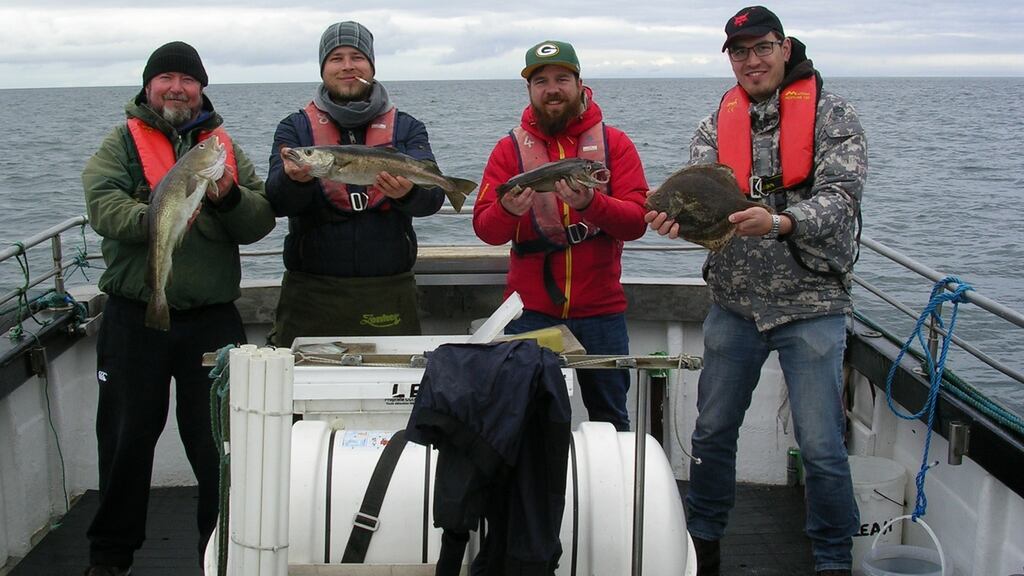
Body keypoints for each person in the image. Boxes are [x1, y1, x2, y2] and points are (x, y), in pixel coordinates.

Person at [646, 6, 865, 576]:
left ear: (785, 47)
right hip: (734, 306)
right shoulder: (712, 126)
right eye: (739, 51)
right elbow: (701, 214)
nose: (752, 60)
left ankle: (833, 559)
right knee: (713, 430)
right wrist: (675, 223)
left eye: (762, 47)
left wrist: (782, 222)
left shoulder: (831, 116)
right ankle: (705, 544)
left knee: (821, 447)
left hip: (811, 307)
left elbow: (842, 200)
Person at [81, 41, 276, 575]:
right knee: (125, 442)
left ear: (202, 89)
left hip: (212, 321)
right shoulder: (119, 143)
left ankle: (219, 555)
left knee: (219, 446)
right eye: (165, 77)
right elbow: (102, 204)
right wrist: (160, 214)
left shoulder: (224, 149)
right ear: (148, 87)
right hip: (134, 316)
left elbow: (260, 220)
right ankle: (109, 558)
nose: (176, 87)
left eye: (187, 80)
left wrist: (228, 197)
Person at [473, 40, 649, 432]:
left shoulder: (615, 144)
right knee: (530, 421)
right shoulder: (508, 150)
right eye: (541, 81)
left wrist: (592, 204)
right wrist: (507, 211)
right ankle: (538, 494)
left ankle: (607, 491)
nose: (552, 88)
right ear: (529, 90)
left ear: (579, 83)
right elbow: (485, 228)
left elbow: (637, 222)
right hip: (530, 312)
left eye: (561, 78)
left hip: (602, 312)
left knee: (612, 420)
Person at [266, 20, 446, 347]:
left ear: (371, 66)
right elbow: (276, 202)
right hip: (311, 292)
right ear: (323, 68)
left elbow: (432, 200)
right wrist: (295, 183)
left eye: (357, 57)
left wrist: (409, 193)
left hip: (389, 291)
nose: (347, 66)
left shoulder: (407, 128)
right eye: (336, 58)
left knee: (391, 392)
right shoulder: (294, 130)